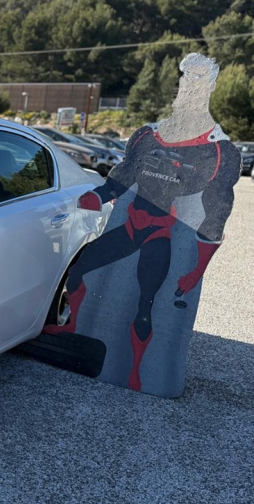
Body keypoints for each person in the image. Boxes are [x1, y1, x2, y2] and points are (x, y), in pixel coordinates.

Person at [43, 53, 240, 394]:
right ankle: (72, 327)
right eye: (184, 79)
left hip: (158, 236)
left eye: (196, 81)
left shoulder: (219, 151)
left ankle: (137, 373)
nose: (186, 87)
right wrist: (96, 196)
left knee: (145, 302)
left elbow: (215, 214)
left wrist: (196, 270)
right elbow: (120, 178)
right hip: (129, 228)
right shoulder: (148, 135)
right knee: (79, 268)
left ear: (209, 87)